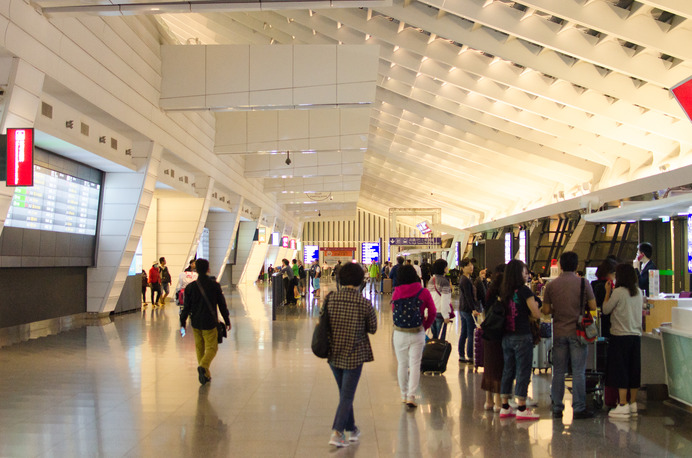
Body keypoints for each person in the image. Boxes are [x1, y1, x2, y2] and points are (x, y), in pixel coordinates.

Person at [324, 262, 377, 447]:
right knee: (346, 395)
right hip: (354, 355)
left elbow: (324, 324)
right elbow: (373, 328)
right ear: (361, 281)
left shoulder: (330, 299)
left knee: (344, 394)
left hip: (334, 354)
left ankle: (352, 429)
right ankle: (337, 433)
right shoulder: (364, 303)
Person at [542, 251, 597, 420]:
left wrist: (556, 309)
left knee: (558, 371)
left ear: (560, 265)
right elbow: (593, 306)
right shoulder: (583, 283)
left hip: (559, 332)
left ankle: (557, 406)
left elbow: (545, 311)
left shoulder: (551, 286)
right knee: (579, 371)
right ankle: (579, 407)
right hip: (578, 333)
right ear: (577, 265)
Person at [499, 260, 541, 420]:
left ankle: (505, 406)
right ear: (518, 273)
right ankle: (522, 407)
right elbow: (536, 313)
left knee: (508, 369)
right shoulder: (524, 291)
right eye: (525, 272)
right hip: (522, 335)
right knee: (523, 370)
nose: (528, 275)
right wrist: (530, 315)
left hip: (506, 335)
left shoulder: (504, 290)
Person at [180, 258, 231, 386]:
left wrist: (182, 323)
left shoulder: (190, 287)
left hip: (196, 322)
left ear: (196, 270)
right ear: (208, 269)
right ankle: (203, 366)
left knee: (200, 347)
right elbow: (222, 304)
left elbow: (186, 307)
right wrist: (226, 319)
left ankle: (206, 374)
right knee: (212, 348)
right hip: (210, 322)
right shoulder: (214, 285)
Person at [392, 264, 436, 407]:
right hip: (417, 332)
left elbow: (394, 311)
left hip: (399, 333)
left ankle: (403, 394)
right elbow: (433, 312)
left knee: (402, 364)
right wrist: (425, 326)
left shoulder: (396, 292)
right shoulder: (423, 292)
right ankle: (411, 395)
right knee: (415, 364)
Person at [603, 263, 643, 418]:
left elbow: (606, 309)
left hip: (620, 337)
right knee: (634, 369)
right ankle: (633, 404)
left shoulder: (618, 292)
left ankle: (622, 404)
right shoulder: (638, 292)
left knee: (621, 370)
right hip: (635, 336)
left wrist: (607, 292)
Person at [482, 264, 506, 413]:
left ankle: (488, 400)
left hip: (488, 329)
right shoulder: (506, 292)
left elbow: (485, 308)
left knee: (489, 366)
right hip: (501, 331)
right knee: (500, 366)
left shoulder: (490, 291)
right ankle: (498, 401)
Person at [458, 258, 479, 363]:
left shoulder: (465, 278)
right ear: (462, 268)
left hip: (463, 308)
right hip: (467, 309)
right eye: (468, 265)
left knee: (464, 332)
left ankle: (462, 355)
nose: (471, 267)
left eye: (471, 265)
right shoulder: (465, 280)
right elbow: (468, 296)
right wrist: (473, 309)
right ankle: (470, 356)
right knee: (471, 333)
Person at [591, 259, 617, 338]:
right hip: (608, 322)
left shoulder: (594, 284)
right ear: (609, 273)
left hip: (598, 322)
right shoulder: (607, 286)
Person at [428, 259, 453, 340]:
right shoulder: (445, 282)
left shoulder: (431, 280)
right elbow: (445, 300)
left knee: (434, 337)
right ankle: (438, 352)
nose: (447, 268)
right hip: (440, 313)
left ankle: (432, 351)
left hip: (431, 311)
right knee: (440, 340)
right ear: (443, 268)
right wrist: (446, 315)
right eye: (446, 266)